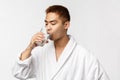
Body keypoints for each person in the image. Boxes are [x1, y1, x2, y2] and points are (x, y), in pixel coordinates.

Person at [12, 5, 110, 80]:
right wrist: (30, 47)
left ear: (66, 25)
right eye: (46, 23)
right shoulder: (41, 52)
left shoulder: (83, 56)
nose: (48, 28)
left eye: (53, 23)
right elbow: (19, 73)